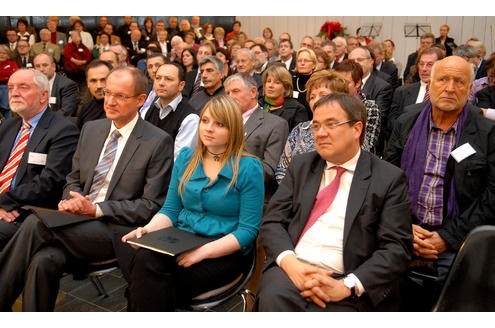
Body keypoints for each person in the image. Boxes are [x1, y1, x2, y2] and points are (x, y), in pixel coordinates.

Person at [0, 66, 174, 312]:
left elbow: (150, 205)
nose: (110, 101)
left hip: (114, 229)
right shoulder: (92, 129)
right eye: (107, 92)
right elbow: (72, 178)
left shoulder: (156, 141)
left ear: (140, 100)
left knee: (35, 223)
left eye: (120, 96)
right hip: (74, 221)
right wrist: (71, 200)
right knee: (42, 260)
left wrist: (96, 210)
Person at [255, 93, 412, 311]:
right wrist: (290, 264)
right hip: (292, 271)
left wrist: (348, 285)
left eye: (331, 124)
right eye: (316, 125)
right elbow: (272, 221)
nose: (320, 133)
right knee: (274, 299)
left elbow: (396, 247)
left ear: (357, 129)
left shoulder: (387, 178)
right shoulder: (302, 166)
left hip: (348, 279)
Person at [122, 95, 264, 311]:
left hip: (224, 250)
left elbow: (248, 230)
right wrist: (147, 230)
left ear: (233, 129)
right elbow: (170, 210)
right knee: (143, 259)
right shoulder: (187, 158)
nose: (208, 128)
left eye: (219, 124)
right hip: (181, 239)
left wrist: (203, 252)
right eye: (205, 120)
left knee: (148, 279)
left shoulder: (248, 167)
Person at [384, 56, 495, 311]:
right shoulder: (406, 122)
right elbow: (387, 181)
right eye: (443, 79)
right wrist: (405, 228)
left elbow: (491, 197)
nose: (450, 88)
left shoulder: (487, 133)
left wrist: (447, 237)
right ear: (430, 84)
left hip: (460, 239)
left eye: (459, 82)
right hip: (404, 231)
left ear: (469, 90)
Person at [0, 69, 79, 250]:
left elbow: (48, 184)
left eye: (23, 87)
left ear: (44, 95)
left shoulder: (63, 130)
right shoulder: (8, 126)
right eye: (11, 88)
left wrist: (3, 202)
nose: (14, 93)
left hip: (28, 213)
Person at [224, 73, 289, 197]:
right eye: (227, 93)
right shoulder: (220, 121)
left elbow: (269, 171)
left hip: (248, 194)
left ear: (253, 92)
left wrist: (226, 169)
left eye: (235, 91)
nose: (230, 97)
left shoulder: (276, 124)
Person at [145, 63, 199, 160]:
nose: (161, 83)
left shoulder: (190, 119)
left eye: (168, 79)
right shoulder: (148, 110)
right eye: (158, 78)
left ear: (181, 86)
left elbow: (179, 161)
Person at [388, 47, 444, 130]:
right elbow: (392, 123)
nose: (424, 69)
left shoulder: (445, 94)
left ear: (440, 67)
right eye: (421, 64)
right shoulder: (402, 92)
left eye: (429, 65)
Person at [260, 62, 308, 131]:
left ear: (286, 87)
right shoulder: (258, 105)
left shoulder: (297, 109)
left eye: (277, 82)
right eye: (268, 81)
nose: (270, 85)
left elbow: (299, 137)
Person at [33, 53, 80, 118]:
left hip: (56, 124)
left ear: (53, 67)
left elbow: (66, 112)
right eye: (38, 66)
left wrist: (43, 121)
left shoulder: (67, 85)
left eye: (45, 65)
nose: (41, 69)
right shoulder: (32, 84)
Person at [76, 59, 113, 129]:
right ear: (87, 84)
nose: (99, 86)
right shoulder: (85, 108)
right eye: (93, 81)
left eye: (103, 80)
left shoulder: (124, 107)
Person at [292, 48, 317, 119]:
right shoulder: (290, 81)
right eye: (299, 60)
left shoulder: (317, 82)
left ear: (314, 65)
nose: (302, 63)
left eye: (306, 60)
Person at [0, 45, 19, 119]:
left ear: (8, 55)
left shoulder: (12, 63)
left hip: (7, 86)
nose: (1, 55)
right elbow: (8, 73)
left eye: (4, 53)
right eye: (0, 53)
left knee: (7, 108)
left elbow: (14, 74)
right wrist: (5, 72)